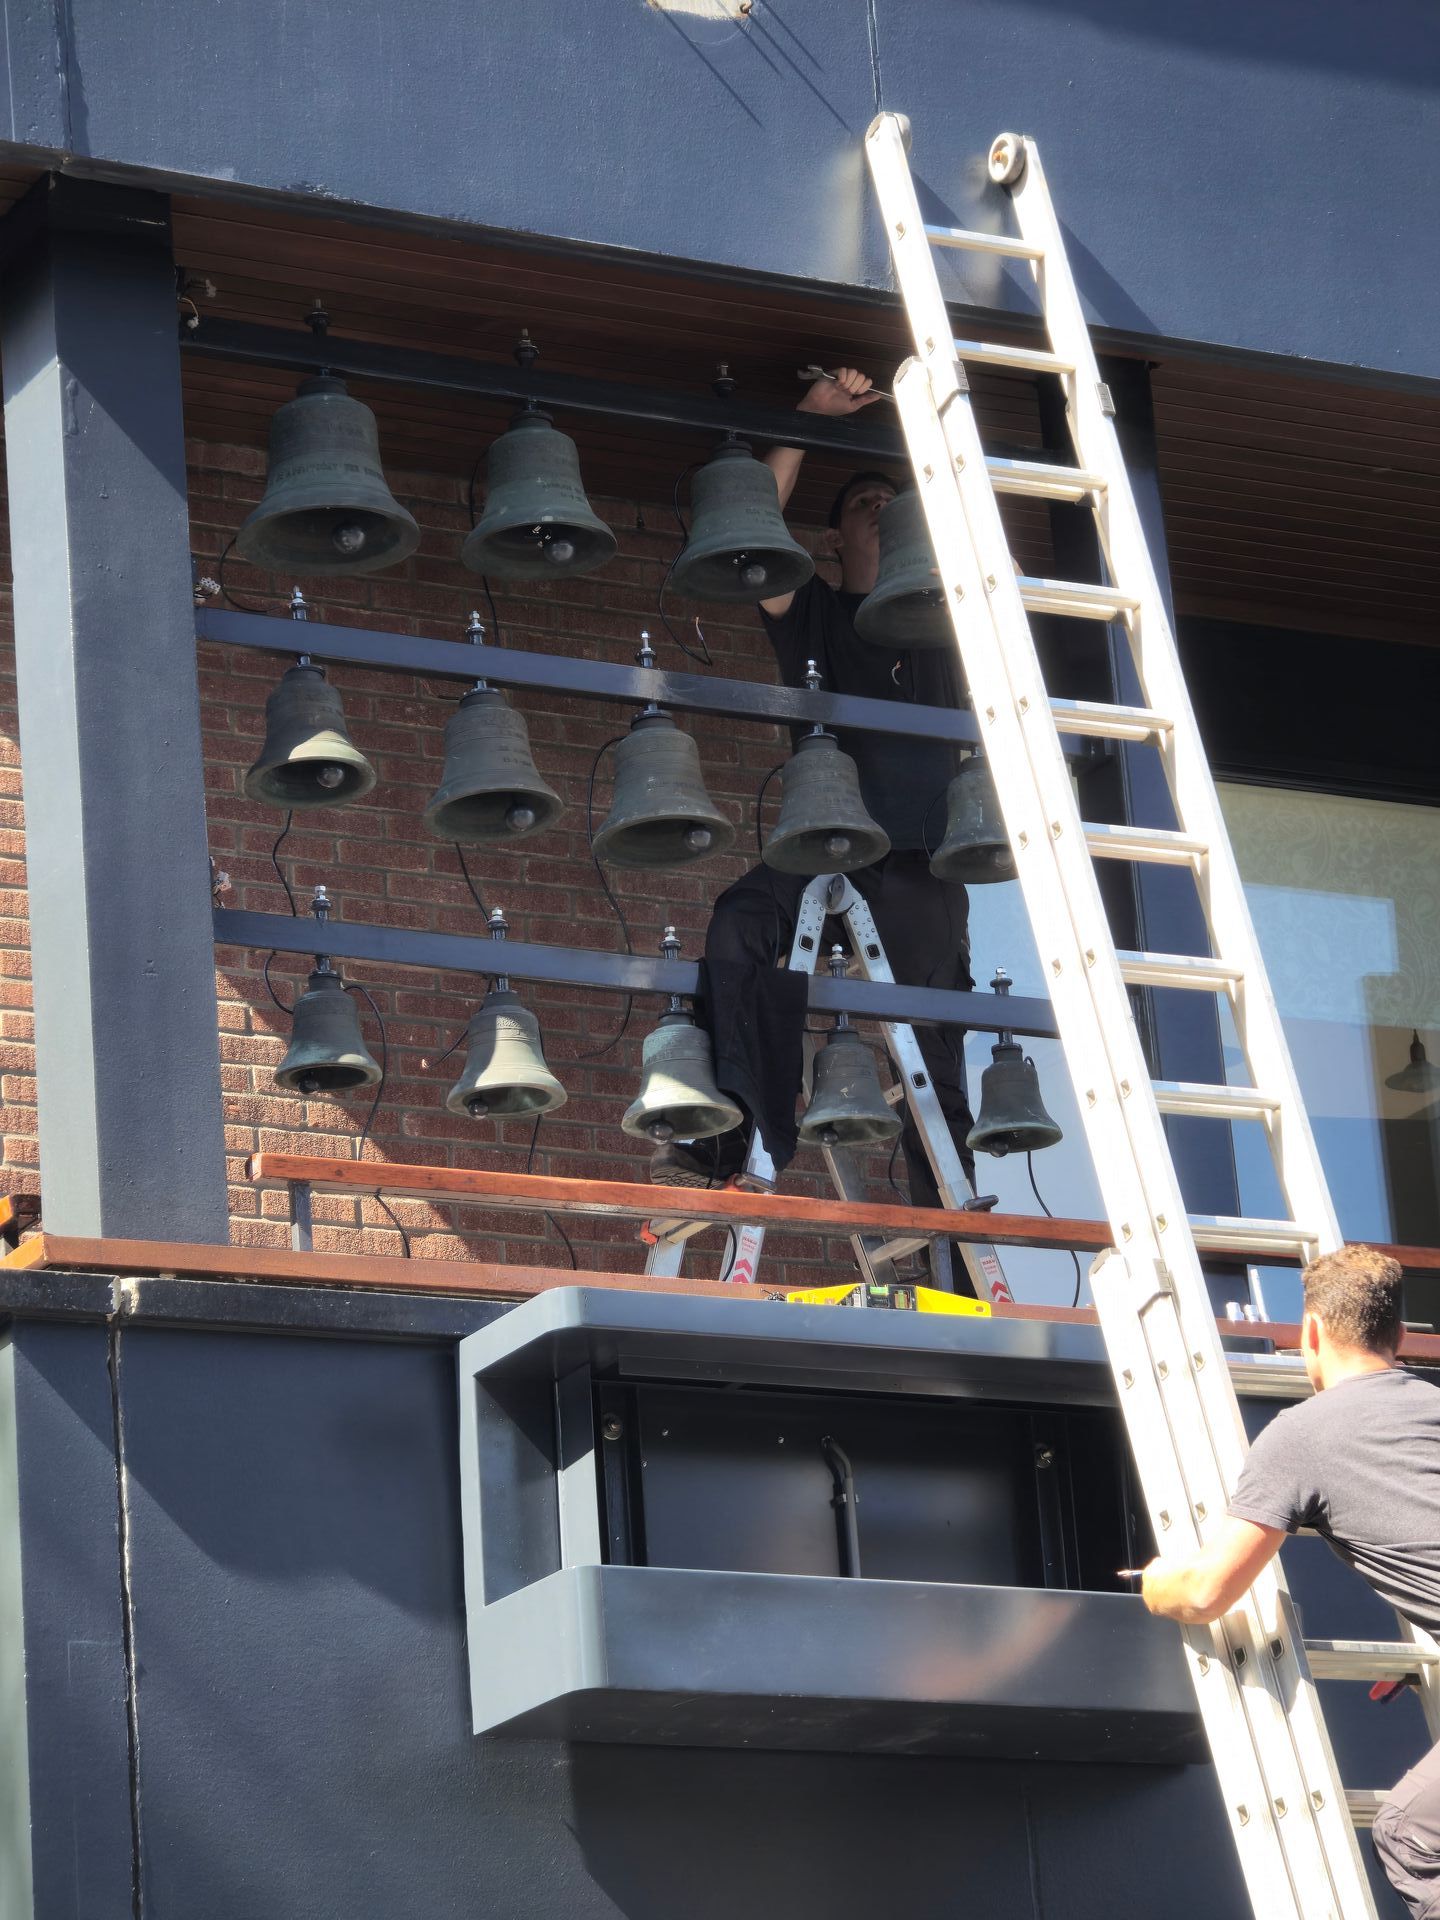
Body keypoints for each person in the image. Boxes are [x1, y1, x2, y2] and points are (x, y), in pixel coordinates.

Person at [653, 367, 985, 1281]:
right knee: (739, 925)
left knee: (933, 1040)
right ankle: (726, 1139)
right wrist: (805, 416)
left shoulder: (952, 634)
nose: (883, 513)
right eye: (866, 504)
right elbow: (751, 523)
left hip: (920, 860)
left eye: (895, 506)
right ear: (835, 536)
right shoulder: (814, 615)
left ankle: (951, 1249)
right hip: (823, 840)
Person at [1136, 1245, 1440, 1917]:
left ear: (1311, 1331)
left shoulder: (1299, 1436)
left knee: (1408, 1835)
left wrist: (1156, 1584)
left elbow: (1206, 1593)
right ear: (1399, 1336)